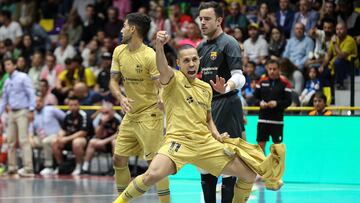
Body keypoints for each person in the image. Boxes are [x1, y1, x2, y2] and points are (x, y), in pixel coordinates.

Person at [113, 30, 285, 203]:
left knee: (249, 174)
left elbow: (208, 118)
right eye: (186, 60)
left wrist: (217, 135)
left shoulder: (206, 88)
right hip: (179, 141)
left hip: (205, 143)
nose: (191, 64)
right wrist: (159, 47)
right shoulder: (173, 79)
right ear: (179, 63)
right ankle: (119, 201)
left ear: (199, 62)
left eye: (194, 59)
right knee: (152, 175)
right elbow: (162, 66)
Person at [109, 13, 170, 203]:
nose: (121, 30)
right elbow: (112, 81)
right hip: (131, 114)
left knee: (155, 164)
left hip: (150, 114)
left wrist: (161, 98)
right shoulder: (119, 51)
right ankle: (123, 200)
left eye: (124, 26)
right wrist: (120, 97)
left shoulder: (149, 55)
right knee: (118, 159)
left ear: (133, 29)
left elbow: (160, 84)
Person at [196, 2, 247, 202]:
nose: (202, 22)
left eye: (207, 19)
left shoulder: (229, 43)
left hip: (227, 104)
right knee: (205, 160)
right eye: (200, 19)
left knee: (227, 159)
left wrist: (225, 87)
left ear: (219, 20)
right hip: (206, 109)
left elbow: (240, 77)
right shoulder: (200, 47)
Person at [0, 58, 36, 177]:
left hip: (23, 111)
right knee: (10, 141)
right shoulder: (6, 81)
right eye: (5, 65)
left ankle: (28, 168)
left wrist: (31, 109)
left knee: (24, 140)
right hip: (12, 112)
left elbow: (31, 93)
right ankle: (12, 167)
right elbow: (4, 99)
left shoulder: (23, 77)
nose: (7, 67)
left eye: (9, 64)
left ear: (15, 65)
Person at [254, 59, 292, 153]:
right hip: (263, 120)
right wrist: (260, 103)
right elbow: (254, 98)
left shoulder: (285, 83)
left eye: (274, 69)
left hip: (277, 121)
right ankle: (263, 167)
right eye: (270, 69)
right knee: (260, 147)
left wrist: (277, 103)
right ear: (267, 69)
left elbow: (288, 101)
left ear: (279, 70)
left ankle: (276, 168)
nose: (272, 71)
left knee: (277, 149)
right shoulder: (262, 81)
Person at [51, 96, 89, 175]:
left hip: (83, 139)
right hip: (69, 139)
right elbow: (63, 129)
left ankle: (78, 166)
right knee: (54, 141)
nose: (73, 107)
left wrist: (66, 139)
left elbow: (83, 132)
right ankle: (60, 166)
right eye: (71, 105)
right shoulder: (67, 114)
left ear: (79, 105)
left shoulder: (83, 115)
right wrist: (60, 136)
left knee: (76, 142)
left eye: (75, 105)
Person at [29, 96, 65, 175]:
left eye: (39, 101)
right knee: (26, 143)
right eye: (35, 102)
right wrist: (30, 138)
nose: (37, 104)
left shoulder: (51, 109)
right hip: (40, 137)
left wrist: (63, 131)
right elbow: (30, 129)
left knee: (46, 141)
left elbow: (65, 118)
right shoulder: (33, 114)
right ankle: (30, 167)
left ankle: (49, 166)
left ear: (43, 102)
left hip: (54, 136)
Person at [81, 102, 122, 174]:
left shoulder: (117, 118)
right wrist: (102, 124)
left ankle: (114, 168)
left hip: (114, 143)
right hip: (104, 143)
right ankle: (85, 167)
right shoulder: (101, 118)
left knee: (114, 142)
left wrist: (104, 141)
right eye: (103, 112)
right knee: (92, 142)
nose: (104, 114)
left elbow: (119, 134)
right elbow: (98, 135)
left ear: (112, 111)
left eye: (107, 112)